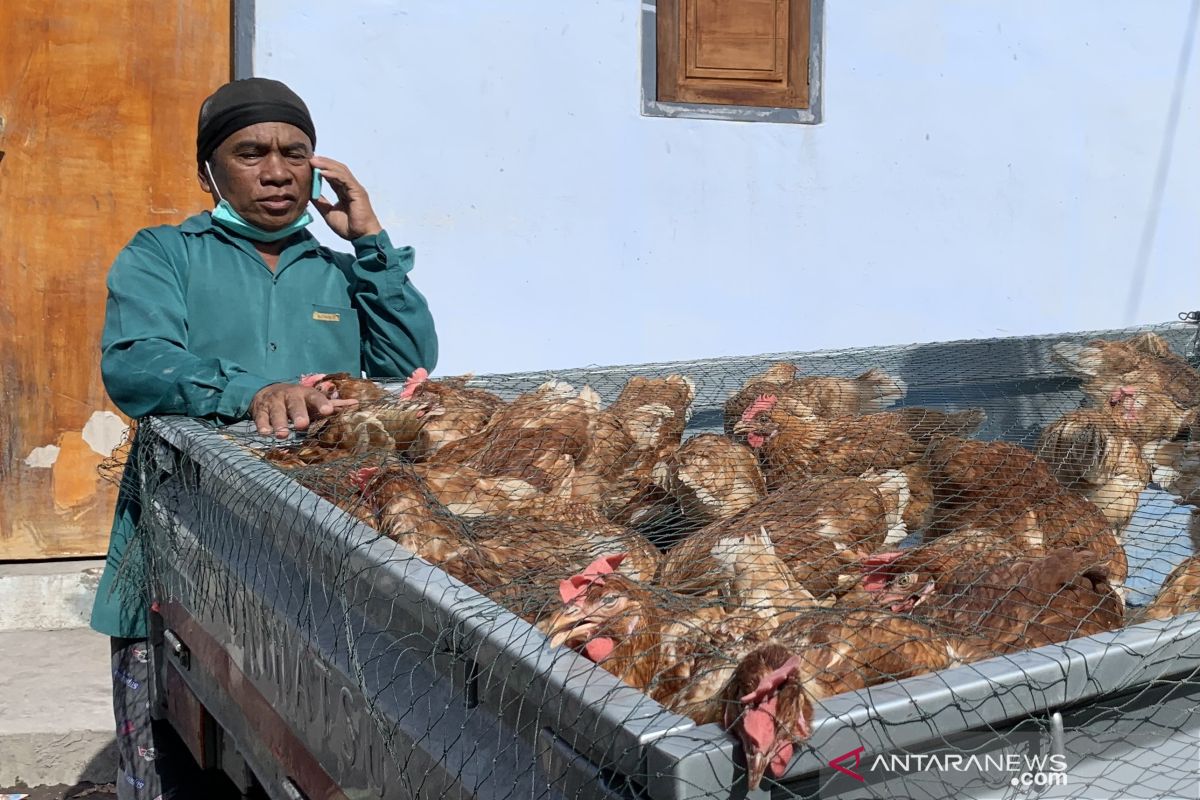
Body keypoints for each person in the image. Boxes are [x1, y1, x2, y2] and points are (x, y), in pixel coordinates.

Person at [89, 77, 437, 799]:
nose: (277, 170)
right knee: (169, 761)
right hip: (183, 542)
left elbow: (409, 366)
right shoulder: (165, 255)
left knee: (290, 747)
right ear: (207, 169)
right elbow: (136, 364)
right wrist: (251, 391)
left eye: (295, 152)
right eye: (251, 153)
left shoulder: (337, 272)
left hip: (307, 553)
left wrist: (371, 244)